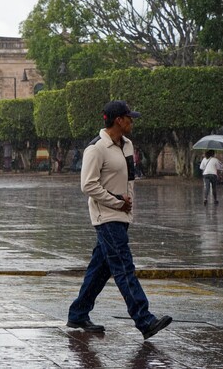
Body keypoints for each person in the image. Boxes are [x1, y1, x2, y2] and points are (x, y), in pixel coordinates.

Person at [68, 101, 172, 340]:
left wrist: (127, 208)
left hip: (122, 215)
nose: (132, 121)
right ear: (118, 120)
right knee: (124, 267)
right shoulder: (96, 148)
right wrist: (116, 202)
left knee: (100, 268)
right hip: (106, 216)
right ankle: (144, 320)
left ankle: (78, 313)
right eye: (129, 118)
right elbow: (88, 185)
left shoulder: (127, 145)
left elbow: (130, 180)